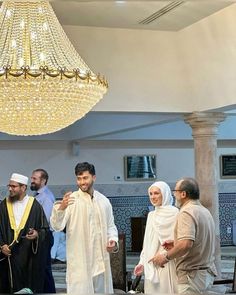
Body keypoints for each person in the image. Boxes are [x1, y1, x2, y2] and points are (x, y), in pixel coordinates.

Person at [50, 162, 118, 294]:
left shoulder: (103, 201)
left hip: (100, 261)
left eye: (85, 178)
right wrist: (61, 208)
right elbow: (56, 226)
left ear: (94, 177)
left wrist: (113, 240)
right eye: (79, 179)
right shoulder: (71, 200)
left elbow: (111, 225)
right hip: (80, 262)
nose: (82, 182)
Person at [152, 177, 217, 294]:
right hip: (205, 273)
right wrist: (175, 242)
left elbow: (186, 244)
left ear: (183, 194)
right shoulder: (204, 211)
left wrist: (165, 257)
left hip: (192, 276)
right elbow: (199, 239)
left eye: (175, 191)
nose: (174, 194)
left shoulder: (186, 212)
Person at [0, 173, 49, 293]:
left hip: (28, 256)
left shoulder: (34, 205)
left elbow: (45, 230)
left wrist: (37, 234)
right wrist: (1, 245)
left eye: (14, 186)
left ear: (23, 188)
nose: (10, 189)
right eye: (9, 186)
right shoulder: (3, 205)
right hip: (8, 256)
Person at [133, 181, 179, 293]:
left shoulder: (175, 213)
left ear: (165, 194)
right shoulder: (151, 215)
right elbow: (147, 243)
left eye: (156, 193)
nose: (153, 197)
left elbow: (179, 240)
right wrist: (142, 262)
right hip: (151, 263)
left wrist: (164, 255)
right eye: (151, 194)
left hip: (167, 262)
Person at [30, 168, 56, 293]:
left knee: (44, 269)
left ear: (43, 180)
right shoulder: (38, 195)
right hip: (40, 235)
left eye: (35, 178)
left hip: (44, 236)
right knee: (40, 268)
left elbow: (45, 221)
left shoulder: (46, 197)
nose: (32, 181)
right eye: (32, 178)